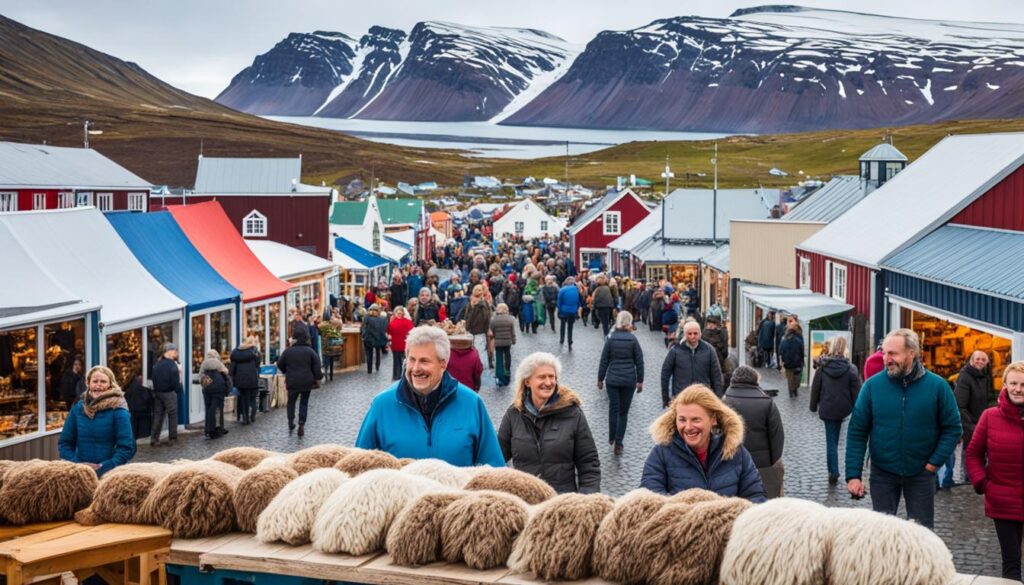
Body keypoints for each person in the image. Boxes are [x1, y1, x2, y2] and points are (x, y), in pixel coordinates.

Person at [846, 328, 962, 530]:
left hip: (921, 474)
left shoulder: (938, 386)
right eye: (884, 353)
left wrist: (933, 464)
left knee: (921, 535)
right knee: (881, 535)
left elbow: (953, 429)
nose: (886, 359)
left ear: (912, 353)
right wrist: (853, 475)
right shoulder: (872, 386)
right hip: (882, 472)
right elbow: (857, 431)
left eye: (893, 353)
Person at [356, 326, 505, 466]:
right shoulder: (382, 404)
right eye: (412, 360)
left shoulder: (471, 403)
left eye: (424, 361)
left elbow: (493, 468)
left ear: (443, 364)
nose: (416, 369)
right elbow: (358, 467)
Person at [640, 383, 766, 501]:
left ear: (713, 419)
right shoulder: (661, 454)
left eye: (696, 420)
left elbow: (756, 497)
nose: (688, 427)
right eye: (682, 420)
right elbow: (650, 501)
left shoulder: (737, 454)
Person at [497, 352, 600, 493]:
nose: (548, 382)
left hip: (561, 504)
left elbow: (589, 462)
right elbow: (496, 458)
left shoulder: (573, 413)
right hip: (525, 503)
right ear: (527, 381)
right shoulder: (514, 414)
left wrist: (586, 500)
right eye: (541, 377)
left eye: (552, 377)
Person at [965, 361, 1024, 582]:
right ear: (1005, 385)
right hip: (1003, 501)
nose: (1018, 389)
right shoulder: (990, 416)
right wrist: (983, 483)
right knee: (1011, 562)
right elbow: (973, 454)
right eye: (1014, 383)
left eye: (1023, 384)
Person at [58, 365, 135, 477]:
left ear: (110, 385)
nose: (98, 385)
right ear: (88, 384)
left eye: (103, 381)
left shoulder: (118, 409)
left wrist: (104, 467)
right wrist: (78, 465)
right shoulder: (78, 408)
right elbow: (64, 443)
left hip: (110, 475)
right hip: (80, 474)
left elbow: (127, 447)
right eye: (95, 381)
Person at [725, 366, 785, 498]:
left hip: (730, 463)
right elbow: (777, 437)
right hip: (763, 465)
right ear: (756, 381)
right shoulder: (767, 403)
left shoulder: (723, 403)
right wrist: (772, 463)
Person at [809, 336, 861, 485]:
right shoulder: (851, 368)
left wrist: (813, 406)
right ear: (845, 349)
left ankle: (833, 471)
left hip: (827, 407)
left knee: (831, 442)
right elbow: (856, 391)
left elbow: (816, 388)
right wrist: (858, 409)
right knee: (847, 440)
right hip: (845, 408)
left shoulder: (822, 367)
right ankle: (846, 470)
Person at [598, 311, 644, 455]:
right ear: (629, 323)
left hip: (612, 380)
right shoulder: (633, 340)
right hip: (628, 380)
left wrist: (600, 378)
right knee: (623, 412)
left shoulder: (610, 339)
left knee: (613, 408)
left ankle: (611, 436)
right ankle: (619, 442)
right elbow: (639, 362)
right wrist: (640, 380)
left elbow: (604, 360)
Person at [953, 350, 993, 486]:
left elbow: (990, 398)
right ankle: (970, 481)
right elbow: (960, 405)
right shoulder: (965, 376)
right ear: (971, 360)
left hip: (985, 421)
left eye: (983, 359)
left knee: (986, 452)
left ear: (987, 362)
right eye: (978, 359)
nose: (980, 361)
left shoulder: (986, 376)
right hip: (970, 423)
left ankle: (981, 478)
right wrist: (972, 426)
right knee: (971, 451)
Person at [661, 321, 724, 406]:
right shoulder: (675, 351)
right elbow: (665, 374)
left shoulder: (709, 350)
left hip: (703, 398)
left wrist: (718, 398)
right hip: (681, 398)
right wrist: (665, 397)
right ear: (685, 334)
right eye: (689, 334)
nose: (693, 336)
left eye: (695, 333)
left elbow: (716, 375)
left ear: (700, 334)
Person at [276, 326, 323, 438]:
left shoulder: (288, 351)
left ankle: (290, 421)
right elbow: (317, 366)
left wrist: (286, 371)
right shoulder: (310, 351)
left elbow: (280, 364)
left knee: (291, 402)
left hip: (292, 381)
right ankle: (301, 423)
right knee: (304, 402)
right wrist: (318, 377)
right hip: (307, 381)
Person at [150, 343, 182, 447]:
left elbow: (153, 378)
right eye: (174, 351)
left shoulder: (157, 364)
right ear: (168, 352)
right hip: (169, 393)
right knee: (172, 415)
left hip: (158, 393)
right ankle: (172, 438)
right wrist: (179, 389)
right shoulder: (172, 364)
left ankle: (154, 439)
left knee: (158, 415)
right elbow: (175, 381)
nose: (176, 353)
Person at [230, 335, 261, 425]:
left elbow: (233, 368)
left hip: (240, 379)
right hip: (251, 378)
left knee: (243, 398)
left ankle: (245, 416)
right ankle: (252, 415)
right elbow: (257, 365)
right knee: (252, 397)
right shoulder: (254, 353)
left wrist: (232, 378)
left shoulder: (236, 354)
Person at [200, 350, 230, 440]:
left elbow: (200, 376)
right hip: (218, 389)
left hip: (207, 389)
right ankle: (217, 429)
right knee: (217, 409)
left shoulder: (204, 364)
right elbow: (226, 372)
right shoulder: (218, 364)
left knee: (209, 409)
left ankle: (207, 429)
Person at [463, 284, 494, 369]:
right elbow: (467, 316)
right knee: (472, 348)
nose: (479, 292)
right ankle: (474, 364)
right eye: (477, 290)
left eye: (480, 290)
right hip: (471, 329)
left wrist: (488, 328)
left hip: (481, 330)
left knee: (480, 349)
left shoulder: (484, 303)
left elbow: (487, 316)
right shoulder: (470, 302)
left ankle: (479, 365)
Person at [489, 303, 517, 387]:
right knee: (507, 357)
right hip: (507, 342)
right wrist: (513, 340)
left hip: (498, 342)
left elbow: (492, 332)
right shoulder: (510, 319)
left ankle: (499, 376)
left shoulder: (493, 320)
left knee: (499, 358)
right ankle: (507, 374)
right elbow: (513, 332)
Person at [778, 317, 805, 397]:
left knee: (790, 378)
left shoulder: (784, 339)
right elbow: (801, 350)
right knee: (796, 377)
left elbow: (781, 350)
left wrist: (783, 359)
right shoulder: (799, 338)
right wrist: (801, 360)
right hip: (796, 362)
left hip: (788, 362)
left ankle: (791, 391)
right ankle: (794, 389)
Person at [387, 306, 414, 381]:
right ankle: (404, 376)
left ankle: (397, 376)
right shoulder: (408, 322)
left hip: (397, 345)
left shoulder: (393, 322)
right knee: (404, 361)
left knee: (397, 361)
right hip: (403, 345)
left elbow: (389, 332)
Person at [360, 304, 389, 374]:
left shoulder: (367, 317)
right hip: (378, 338)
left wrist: (363, 334)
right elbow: (385, 328)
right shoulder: (383, 318)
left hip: (368, 338)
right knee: (378, 353)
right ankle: (377, 367)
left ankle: (369, 370)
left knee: (369, 354)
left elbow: (362, 326)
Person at [557, 276, 582, 350]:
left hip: (564, 310)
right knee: (570, 327)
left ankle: (562, 339)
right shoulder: (576, 290)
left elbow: (559, 302)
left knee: (562, 325)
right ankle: (569, 341)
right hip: (572, 311)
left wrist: (559, 309)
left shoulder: (562, 290)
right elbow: (578, 301)